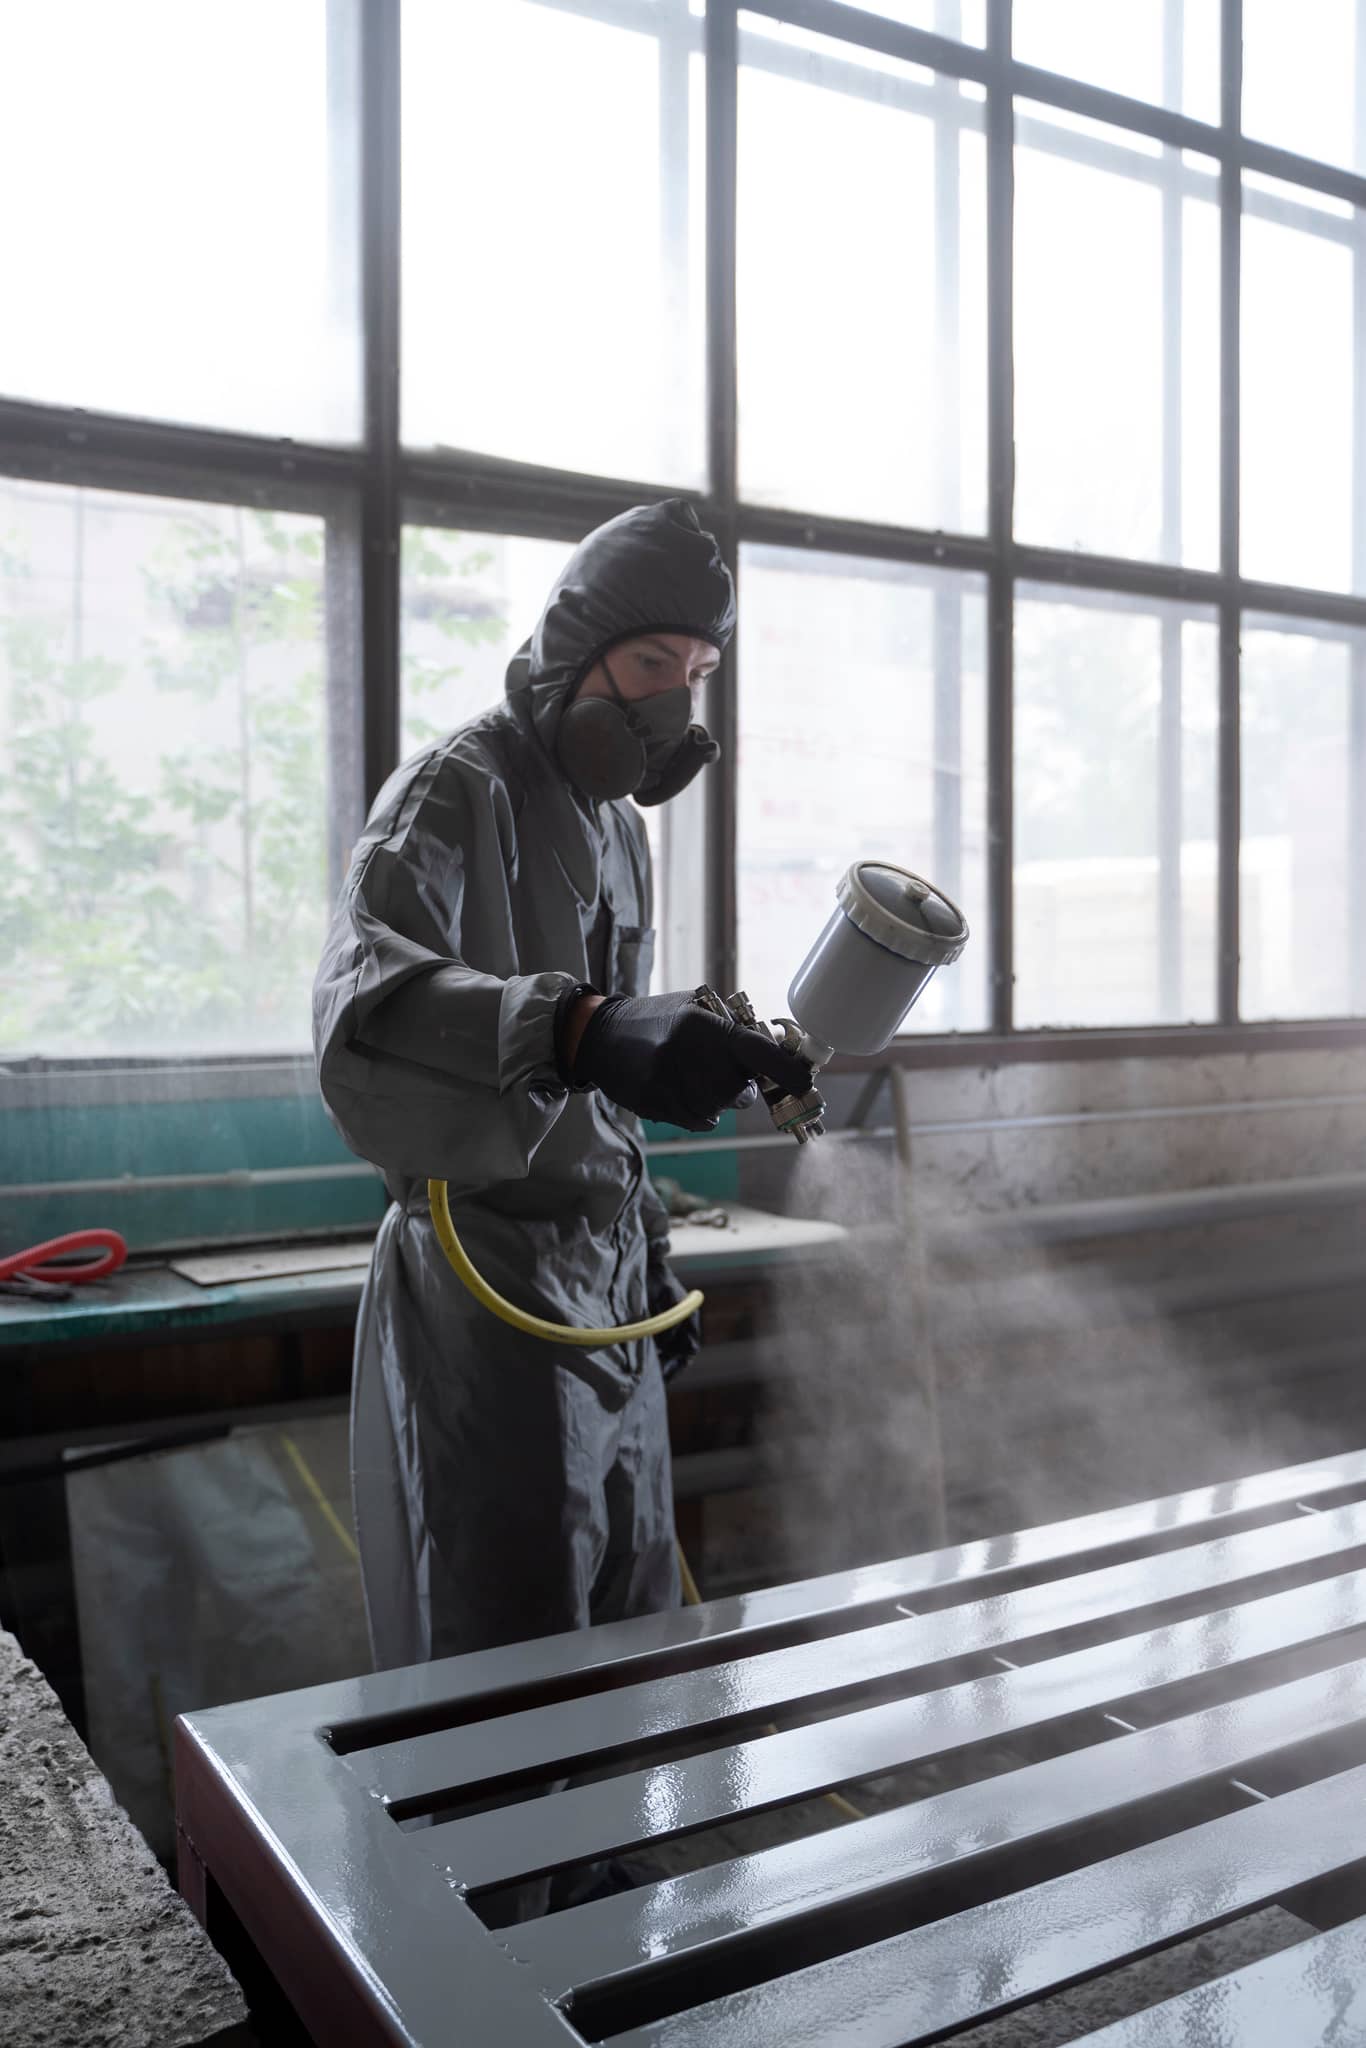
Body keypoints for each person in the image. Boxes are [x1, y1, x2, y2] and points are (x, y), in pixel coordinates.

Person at [313, 499, 812, 1671]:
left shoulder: (615, 831)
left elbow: (606, 1097)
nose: (669, 702)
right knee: (509, 1638)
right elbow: (361, 1015)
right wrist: (573, 1025)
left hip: (605, 1282)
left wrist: (646, 1243)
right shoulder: (454, 791)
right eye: (649, 663)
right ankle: (513, 1866)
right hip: (486, 1276)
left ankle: (608, 1865)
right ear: (569, 649)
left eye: (694, 672)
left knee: (627, 1617)